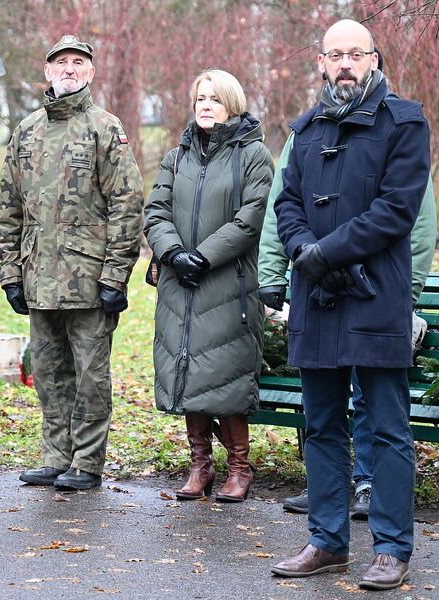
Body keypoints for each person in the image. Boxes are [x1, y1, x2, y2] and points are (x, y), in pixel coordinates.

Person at [270, 20, 430, 590]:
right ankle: (327, 541)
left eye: (355, 54)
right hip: (317, 298)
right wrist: (302, 252)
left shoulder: (404, 123)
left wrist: (326, 253)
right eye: (334, 55)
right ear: (321, 62)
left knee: (387, 428)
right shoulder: (307, 129)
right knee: (320, 425)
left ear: (373, 59)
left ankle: (390, 548)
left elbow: (396, 210)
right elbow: (287, 202)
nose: (344, 64)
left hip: (376, 294)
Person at [0, 35, 144, 490]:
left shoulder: (104, 127)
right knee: (48, 374)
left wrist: (116, 275)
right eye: (60, 62)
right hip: (38, 278)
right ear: (47, 71)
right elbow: (9, 208)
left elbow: (127, 203)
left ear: (90, 72)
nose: (69, 68)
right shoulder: (26, 131)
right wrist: (10, 273)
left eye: (78, 62)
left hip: (89, 278)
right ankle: (55, 457)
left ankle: (86, 462)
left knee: (90, 377)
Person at [144, 70, 273, 503]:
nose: (205, 105)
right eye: (200, 98)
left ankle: (240, 468)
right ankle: (200, 465)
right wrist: (174, 254)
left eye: (214, 99)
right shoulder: (176, 156)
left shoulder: (253, 154)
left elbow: (252, 218)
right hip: (180, 284)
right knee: (188, 371)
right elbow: (155, 211)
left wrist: (203, 256)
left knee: (225, 374)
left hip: (227, 284)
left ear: (231, 104)